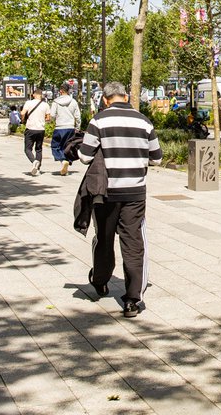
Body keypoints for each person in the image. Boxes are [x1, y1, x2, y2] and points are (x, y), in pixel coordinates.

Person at [79, 81, 162, 317]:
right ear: (125, 97)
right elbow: (156, 158)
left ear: (106, 99)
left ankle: (100, 281)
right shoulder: (143, 121)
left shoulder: (99, 120)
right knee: (133, 243)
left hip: (106, 193)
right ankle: (133, 299)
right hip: (135, 192)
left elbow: (85, 157)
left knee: (104, 238)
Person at [49, 83, 82, 176]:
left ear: (60, 91)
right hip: (70, 127)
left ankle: (63, 160)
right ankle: (66, 163)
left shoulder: (56, 102)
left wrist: (52, 120)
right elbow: (78, 116)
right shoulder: (74, 101)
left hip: (59, 127)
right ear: (69, 91)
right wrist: (77, 127)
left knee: (55, 146)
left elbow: (52, 115)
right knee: (67, 147)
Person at [19, 90, 50, 176]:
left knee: (27, 149)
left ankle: (34, 161)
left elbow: (22, 113)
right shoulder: (45, 104)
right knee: (39, 149)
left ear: (33, 95)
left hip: (30, 128)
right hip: (41, 129)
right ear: (41, 95)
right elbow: (48, 118)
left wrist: (22, 120)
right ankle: (38, 168)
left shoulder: (29, 103)